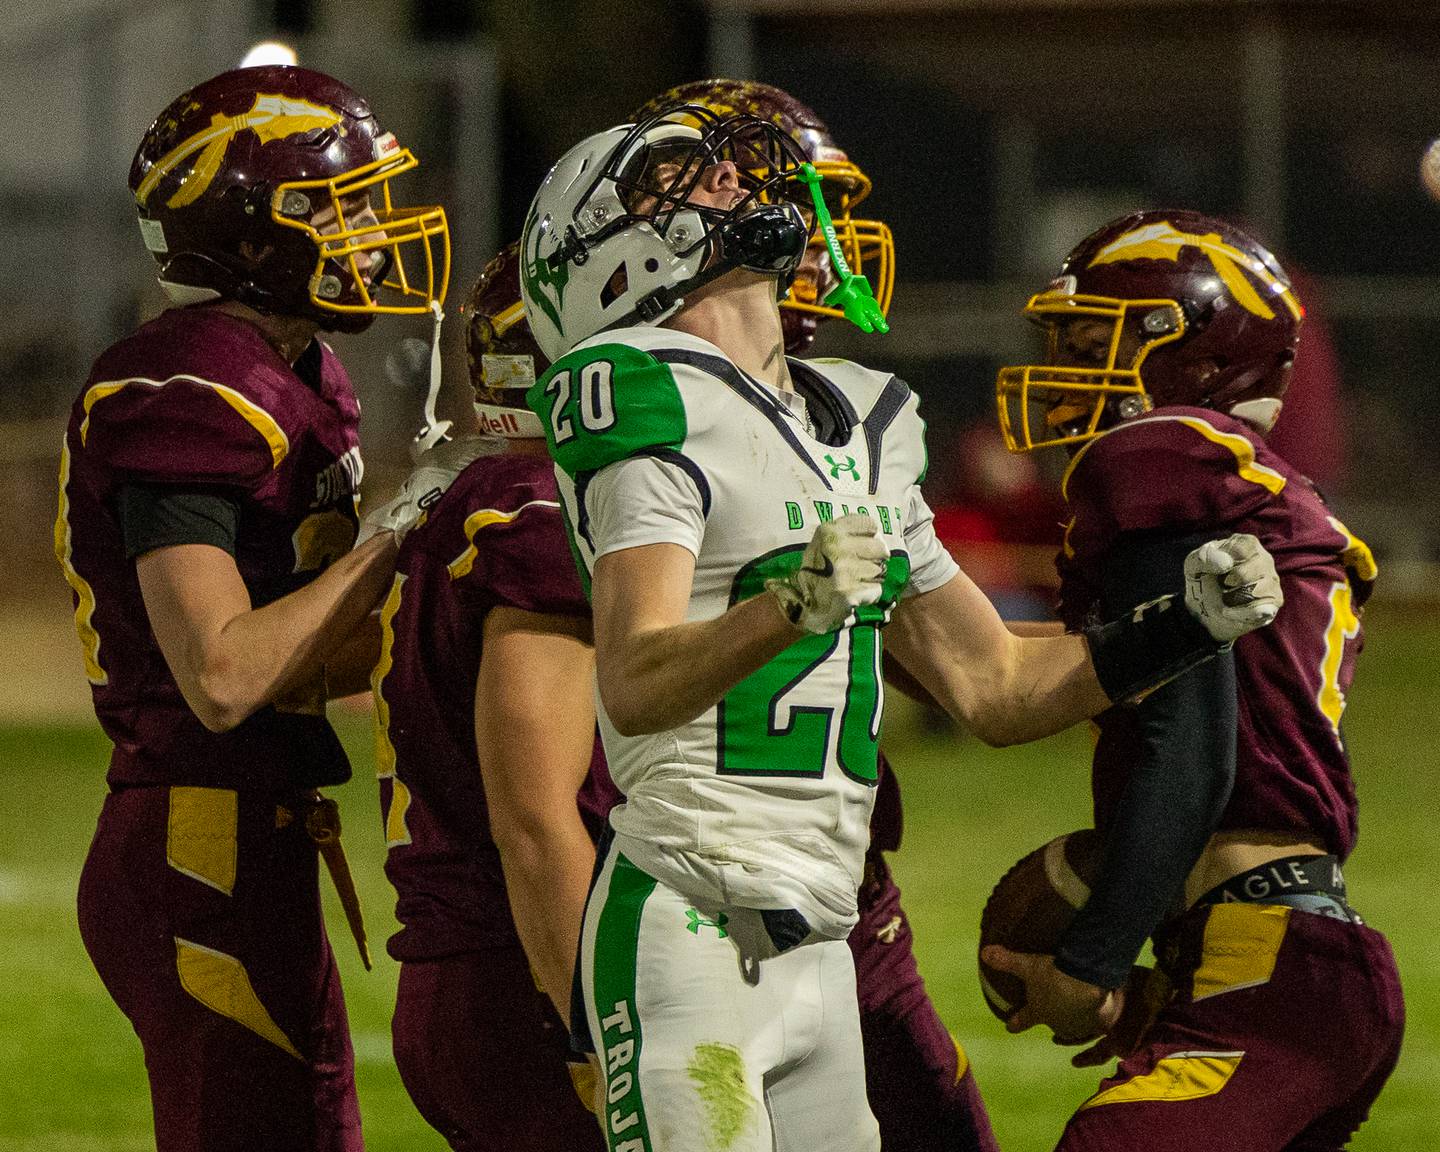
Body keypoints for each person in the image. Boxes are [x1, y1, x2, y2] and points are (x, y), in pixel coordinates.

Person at [518, 108, 1283, 1152]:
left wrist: (1181, 626)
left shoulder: (853, 427)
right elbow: (637, 680)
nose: (731, 191)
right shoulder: (647, 400)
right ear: (612, 253)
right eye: (679, 185)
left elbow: (997, 687)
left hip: (821, 950)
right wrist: (792, 607)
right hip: (685, 925)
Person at [58, 65, 463, 1152]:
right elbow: (228, 675)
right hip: (199, 837)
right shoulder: (186, 388)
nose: (375, 233)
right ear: (248, 233)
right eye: (343, 206)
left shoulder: (298, 374)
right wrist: (388, 540)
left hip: (257, 831)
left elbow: (315, 657)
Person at [984, 209, 1404, 1150]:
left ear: (1201, 361)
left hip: (1267, 967)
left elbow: (1193, 744)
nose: (1066, 375)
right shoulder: (1255, 487)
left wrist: (1091, 961)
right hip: (1283, 956)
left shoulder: (1159, 457)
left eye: (1093, 344)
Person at [371, 247, 606, 1152]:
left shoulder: (488, 499)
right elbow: (538, 822)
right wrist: (596, 1034)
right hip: (524, 970)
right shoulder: (539, 513)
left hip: (485, 962)